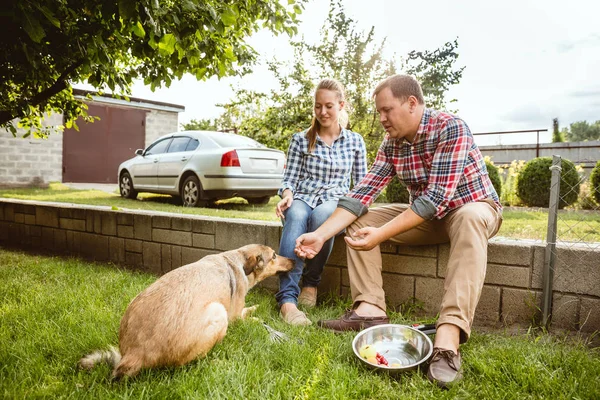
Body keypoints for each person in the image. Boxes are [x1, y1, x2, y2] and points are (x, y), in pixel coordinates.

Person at [294, 74, 502, 387]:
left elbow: (435, 199)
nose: (381, 119)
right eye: (379, 112)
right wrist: (321, 234)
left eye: (386, 110)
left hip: (471, 208)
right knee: (362, 219)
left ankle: (448, 337)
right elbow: (360, 195)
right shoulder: (392, 145)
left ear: (412, 103)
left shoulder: (450, 128)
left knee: (470, 217)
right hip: (429, 219)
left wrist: (381, 235)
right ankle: (370, 309)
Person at [275, 78, 367, 326]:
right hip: (303, 195)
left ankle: (311, 284)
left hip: (335, 200)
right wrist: (287, 195)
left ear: (341, 105)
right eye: (318, 106)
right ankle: (287, 300)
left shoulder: (355, 141)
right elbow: (290, 178)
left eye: (328, 106)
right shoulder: (300, 139)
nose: (323, 112)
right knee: (295, 215)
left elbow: (361, 186)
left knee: (322, 217)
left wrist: (355, 210)